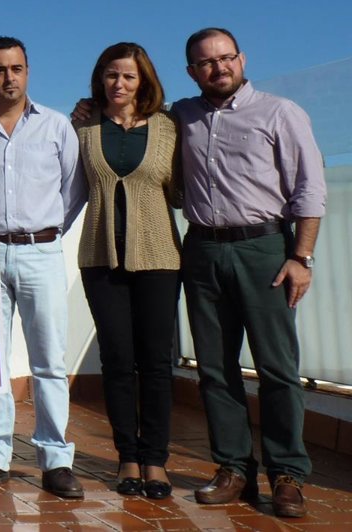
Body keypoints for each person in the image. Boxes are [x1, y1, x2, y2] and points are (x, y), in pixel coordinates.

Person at [175, 28, 325, 518]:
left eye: (226, 58)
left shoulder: (280, 112)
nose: (218, 68)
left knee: (277, 367)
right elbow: (133, 116)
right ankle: (234, 468)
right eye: (206, 62)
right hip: (202, 250)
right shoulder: (180, 116)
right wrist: (86, 110)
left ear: (241, 59)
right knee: (215, 368)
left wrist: (301, 257)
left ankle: (287, 473)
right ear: (192, 71)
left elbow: (309, 188)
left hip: (265, 249)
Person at [0, 37, 86, 499]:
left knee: (49, 360)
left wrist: (46, 232)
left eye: (16, 69)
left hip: (41, 252)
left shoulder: (56, 126)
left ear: (27, 71)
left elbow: (73, 190)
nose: (8, 78)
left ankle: (56, 460)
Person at [73, 43, 181, 500]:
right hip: (100, 259)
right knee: (117, 359)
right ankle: (128, 458)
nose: (119, 83)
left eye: (129, 76)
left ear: (144, 82)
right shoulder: (83, 127)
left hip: (159, 259)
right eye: (111, 75)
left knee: (155, 362)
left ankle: (155, 459)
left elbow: (181, 191)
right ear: (101, 79)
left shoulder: (168, 127)